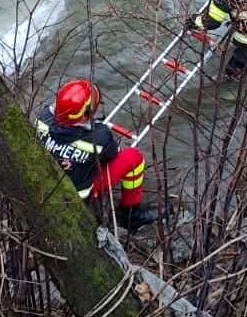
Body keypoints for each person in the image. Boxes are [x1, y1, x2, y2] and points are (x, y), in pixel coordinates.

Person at [34, 79, 159, 232]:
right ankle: (131, 213)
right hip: (76, 196)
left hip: (43, 184)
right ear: (85, 115)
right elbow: (113, 155)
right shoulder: (100, 137)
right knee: (133, 157)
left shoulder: (43, 117)